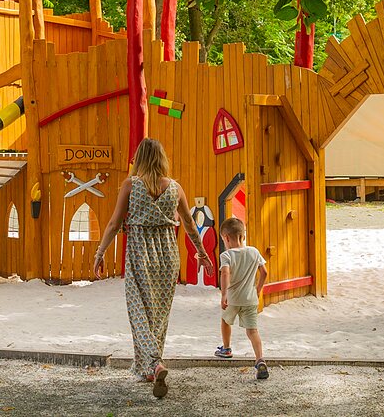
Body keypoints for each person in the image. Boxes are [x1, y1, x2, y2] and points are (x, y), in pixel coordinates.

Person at [94, 138, 213, 399]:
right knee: (158, 316)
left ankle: (155, 363)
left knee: (139, 313)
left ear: (139, 159)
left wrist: (100, 252)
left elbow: (114, 223)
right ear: (161, 159)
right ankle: (147, 369)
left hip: (140, 255)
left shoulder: (130, 185)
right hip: (168, 256)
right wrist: (203, 254)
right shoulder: (175, 188)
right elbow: (191, 226)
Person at [213, 216, 269, 379]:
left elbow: (225, 273)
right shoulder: (254, 251)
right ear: (243, 236)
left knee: (225, 321)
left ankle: (226, 348)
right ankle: (260, 359)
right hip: (251, 299)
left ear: (226, 238)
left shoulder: (227, 255)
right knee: (252, 331)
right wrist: (257, 289)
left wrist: (224, 294)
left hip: (233, 299)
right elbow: (264, 272)